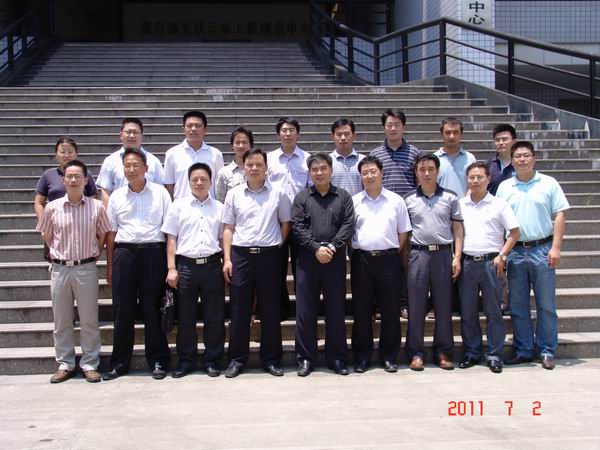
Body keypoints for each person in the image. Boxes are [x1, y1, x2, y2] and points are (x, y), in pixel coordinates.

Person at [36, 159, 111, 383]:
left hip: (86, 268)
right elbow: (46, 235)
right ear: (63, 180)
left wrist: (93, 254)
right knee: (62, 320)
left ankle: (90, 363)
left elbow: (103, 235)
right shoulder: (52, 207)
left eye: (78, 176)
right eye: (69, 176)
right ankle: (65, 363)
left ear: (86, 180)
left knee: (89, 320)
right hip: (60, 269)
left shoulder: (96, 207)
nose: (73, 180)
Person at [496, 141, 569, 370]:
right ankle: (524, 349)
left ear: (534, 158)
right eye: (517, 156)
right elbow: (498, 220)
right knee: (518, 305)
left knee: (545, 304)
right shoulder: (505, 187)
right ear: (512, 160)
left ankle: (547, 350)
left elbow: (559, 215)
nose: (522, 159)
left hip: (542, 250)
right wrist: (502, 253)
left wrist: (556, 248)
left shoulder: (549, 183)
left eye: (526, 155)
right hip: (515, 252)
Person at [103, 148, 172, 381]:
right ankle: (119, 363)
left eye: (136, 165)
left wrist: (170, 264)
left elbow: (169, 231)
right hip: (125, 253)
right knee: (123, 310)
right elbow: (111, 233)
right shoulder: (116, 197)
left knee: (153, 309)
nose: (131, 169)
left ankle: (159, 360)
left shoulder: (161, 193)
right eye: (127, 165)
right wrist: (110, 265)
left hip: (153, 253)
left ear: (146, 168)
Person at [222, 148, 292, 378]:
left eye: (259, 164)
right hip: (241, 256)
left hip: (269, 256)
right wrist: (227, 259)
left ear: (266, 168)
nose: (254, 168)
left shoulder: (278, 193)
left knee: (270, 309)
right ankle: (236, 359)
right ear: (243, 167)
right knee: (239, 309)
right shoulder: (234, 194)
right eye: (250, 164)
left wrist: (276, 245)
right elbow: (228, 228)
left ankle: (271, 359)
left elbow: (285, 223)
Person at [292, 153, 355, 376]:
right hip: (307, 260)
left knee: (335, 310)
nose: (319, 172)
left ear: (331, 170)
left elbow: (348, 224)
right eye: (315, 169)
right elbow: (298, 226)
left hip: (334, 259)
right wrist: (315, 248)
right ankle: (305, 358)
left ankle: (337, 358)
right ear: (309, 173)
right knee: (305, 311)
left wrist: (332, 247)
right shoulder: (302, 198)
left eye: (323, 168)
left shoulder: (343, 197)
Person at [162, 163, 225, 378]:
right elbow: (171, 238)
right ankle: (185, 361)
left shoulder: (219, 207)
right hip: (186, 267)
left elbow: (222, 239)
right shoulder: (178, 206)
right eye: (194, 179)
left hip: (212, 265)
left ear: (211, 181)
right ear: (188, 182)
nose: (199, 183)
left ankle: (213, 360)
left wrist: (226, 262)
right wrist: (171, 267)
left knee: (214, 316)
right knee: (186, 317)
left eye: (203, 179)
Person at [350, 155, 411, 373]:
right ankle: (362, 357)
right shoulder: (354, 202)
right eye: (365, 173)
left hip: (389, 260)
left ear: (381, 173)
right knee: (362, 310)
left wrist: (390, 251)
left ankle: (389, 356)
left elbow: (403, 233)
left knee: (390, 310)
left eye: (373, 171)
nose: (369, 176)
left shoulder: (396, 201)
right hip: (362, 260)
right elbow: (349, 232)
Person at [458, 162, 520, 374]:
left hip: (491, 263)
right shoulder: (460, 205)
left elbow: (514, 232)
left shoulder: (499, 204)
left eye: (479, 177)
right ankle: (471, 352)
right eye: (471, 177)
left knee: (493, 311)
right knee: (468, 311)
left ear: (488, 179)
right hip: (467, 263)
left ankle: (494, 354)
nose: (475, 181)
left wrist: (502, 255)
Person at [404, 153, 464, 371]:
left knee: (443, 305)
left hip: (443, 255)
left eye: (430, 169)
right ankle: (416, 352)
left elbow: (457, 228)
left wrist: (457, 256)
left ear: (437, 171)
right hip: (418, 254)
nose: (426, 173)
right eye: (422, 169)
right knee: (416, 306)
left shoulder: (450, 197)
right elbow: (404, 233)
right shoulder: (408, 199)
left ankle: (443, 352)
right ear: (416, 172)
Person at [370, 109, 420, 320]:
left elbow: (419, 182)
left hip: (407, 214)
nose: (393, 128)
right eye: (389, 124)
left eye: (397, 124)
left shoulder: (414, 153)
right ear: (384, 127)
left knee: (406, 261)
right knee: (381, 263)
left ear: (404, 127)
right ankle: (379, 305)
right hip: (381, 214)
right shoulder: (375, 155)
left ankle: (405, 303)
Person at [267, 117, 311, 319]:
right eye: (284, 130)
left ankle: (304, 309)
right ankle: (281, 308)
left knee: (303, 268)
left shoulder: (307, 159)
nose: (287, 134)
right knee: (276, 267)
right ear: (278, 134)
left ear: (298, 134)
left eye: (291, 130)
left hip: (302, 220)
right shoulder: (269, 159)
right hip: (276, 221)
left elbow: (311, 189)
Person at [34, 137, 98, 261]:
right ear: (56, 154)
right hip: (57, 226)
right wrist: (45, 224)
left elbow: (93, 200)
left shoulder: (86, 175)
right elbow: (39, 202)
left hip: (81, 227)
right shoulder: (48, 175)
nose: (66, 155)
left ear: (76, 154)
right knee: (57, 262)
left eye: (70, 151)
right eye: (62, 152)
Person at [96, 118, 164, 207]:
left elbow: (160, 191)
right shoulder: (110, 161)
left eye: (135, 132)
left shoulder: (153, 161)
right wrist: (109, 214)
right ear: (121, 135)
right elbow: (105, 192)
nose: (132, 136)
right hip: (120, 211)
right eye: (128, 132)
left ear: (142, 136)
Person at [164, 110, 224, 200]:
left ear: (205, 129)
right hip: (181, 206)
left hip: (209, 206)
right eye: (189, 126)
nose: (193, 129)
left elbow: (219, 183)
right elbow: (169, 183)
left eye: (198, 125)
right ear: (183, 129)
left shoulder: (216, 154)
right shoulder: (172, 153)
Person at [433, 117, 476, 198]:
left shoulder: (470, 159)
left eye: (455, 132)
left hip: (464, 204)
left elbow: (474, 184)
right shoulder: (433, 159)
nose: (451, 136)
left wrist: (465, 201)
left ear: (461, 134)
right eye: (448, 133)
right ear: (441, 134)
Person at [214, 126, 253, 202]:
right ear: (232, 146)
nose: (241, 146)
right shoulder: (224, 173)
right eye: (237, 142)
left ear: (250, 145)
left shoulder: (258, 170)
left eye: (244, 142)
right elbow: (220, 202)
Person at [329, 118, 365, 196]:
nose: (343, 138)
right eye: (339, 134)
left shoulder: (364, 161)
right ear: (332, 136)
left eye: (347, 134)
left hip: (358, 203)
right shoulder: (327, 161)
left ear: (354, 136)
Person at [487, 124, 517, 196]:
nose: (500, 143)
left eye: (504, 139)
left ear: (514, 142)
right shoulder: (488, 164)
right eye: (497, 140)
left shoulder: (521, 163)